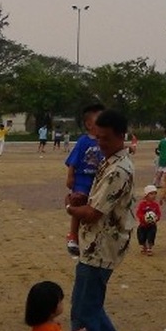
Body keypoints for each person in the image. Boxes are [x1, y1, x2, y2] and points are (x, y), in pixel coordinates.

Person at [63, 108, 136, 331]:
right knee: (90, 306)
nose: (100, 143)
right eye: (97, 137)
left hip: (101, 247)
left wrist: (71, 207)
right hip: (97, 243)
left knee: (81, 312)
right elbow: (95, 203)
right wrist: (82, 199)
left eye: (105, 139)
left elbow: (92, 213)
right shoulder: (110, 161)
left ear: (121, 136)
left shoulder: (118, 169)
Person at [64, 102, 105, 257]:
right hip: (82, 179)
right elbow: (73, 161)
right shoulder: (83, 141)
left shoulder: (104, 140)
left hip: (98, 181)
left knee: (94, 208)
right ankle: (73, 236)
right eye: (99, 121)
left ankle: (92, 237)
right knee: (77, 203)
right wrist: (70, 176)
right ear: (89, 124)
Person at [135, 184, 162, 256]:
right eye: (151, 194)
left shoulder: (155, 205)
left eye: (155, 194)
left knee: (151, 236)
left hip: (152, 225)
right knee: (141, 237)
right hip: (143, 225)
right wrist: (143, 218)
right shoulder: (142, 204)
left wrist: (156, 218)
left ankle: (149, 248)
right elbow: (138, 213)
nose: (153, 196)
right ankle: (144, 246)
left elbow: (158, 213)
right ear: (146, 195)